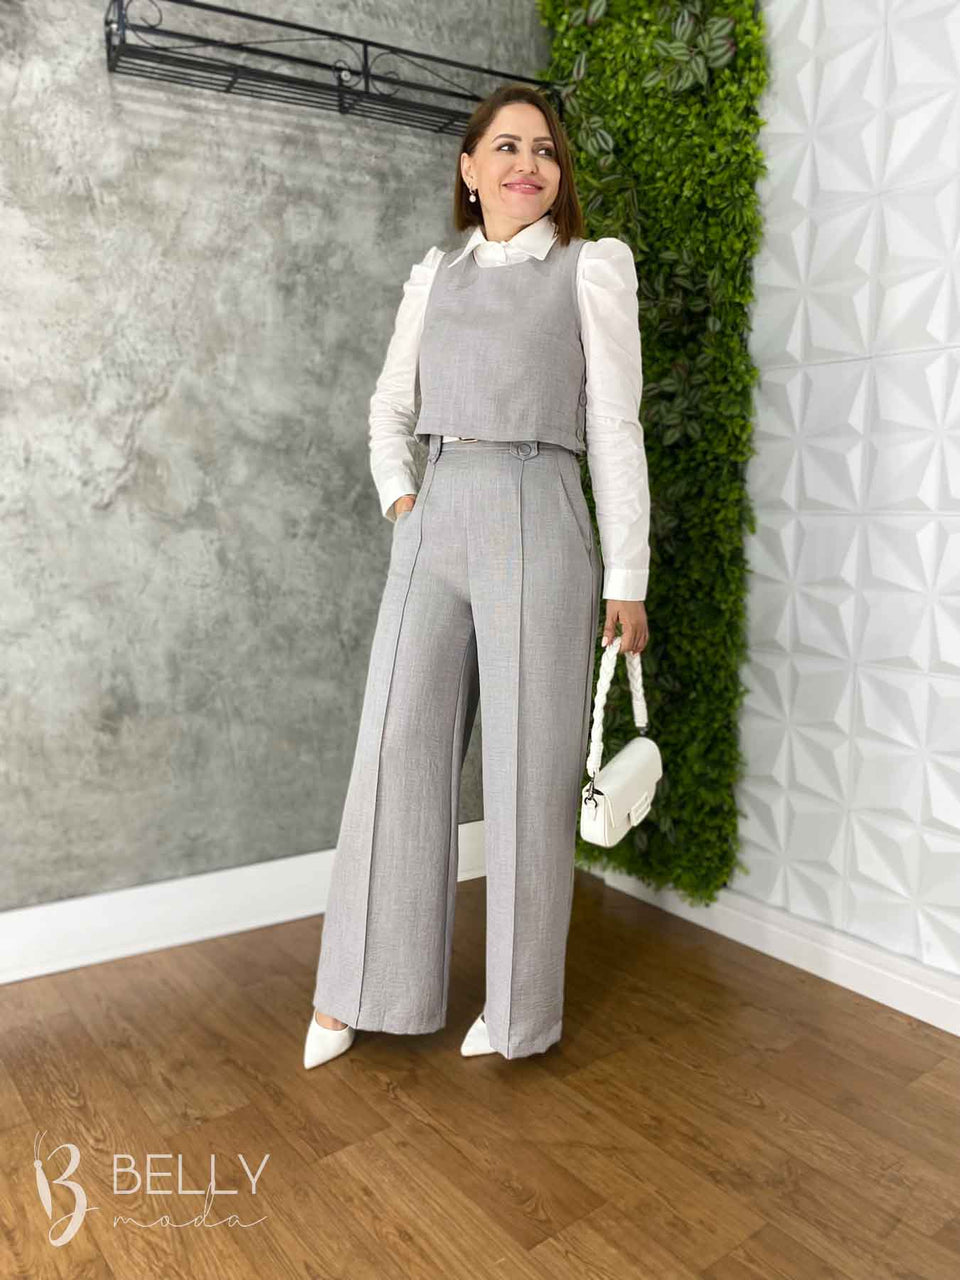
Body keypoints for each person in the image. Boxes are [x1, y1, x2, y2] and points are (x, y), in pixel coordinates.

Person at [304, 82, 650, 1069]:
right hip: (438, 511)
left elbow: (614, 427)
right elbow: (389, 404)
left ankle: (518, 1011)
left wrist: (627, 573)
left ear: (559, 172)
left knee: (530, 768)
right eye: (505, 146)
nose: (526, 163)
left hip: (540, 504)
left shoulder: (589, 269)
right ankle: (358, 990)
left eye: (544, 149)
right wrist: (401, 498)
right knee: (396, 749)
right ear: (469, 167)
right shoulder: (435, 275)